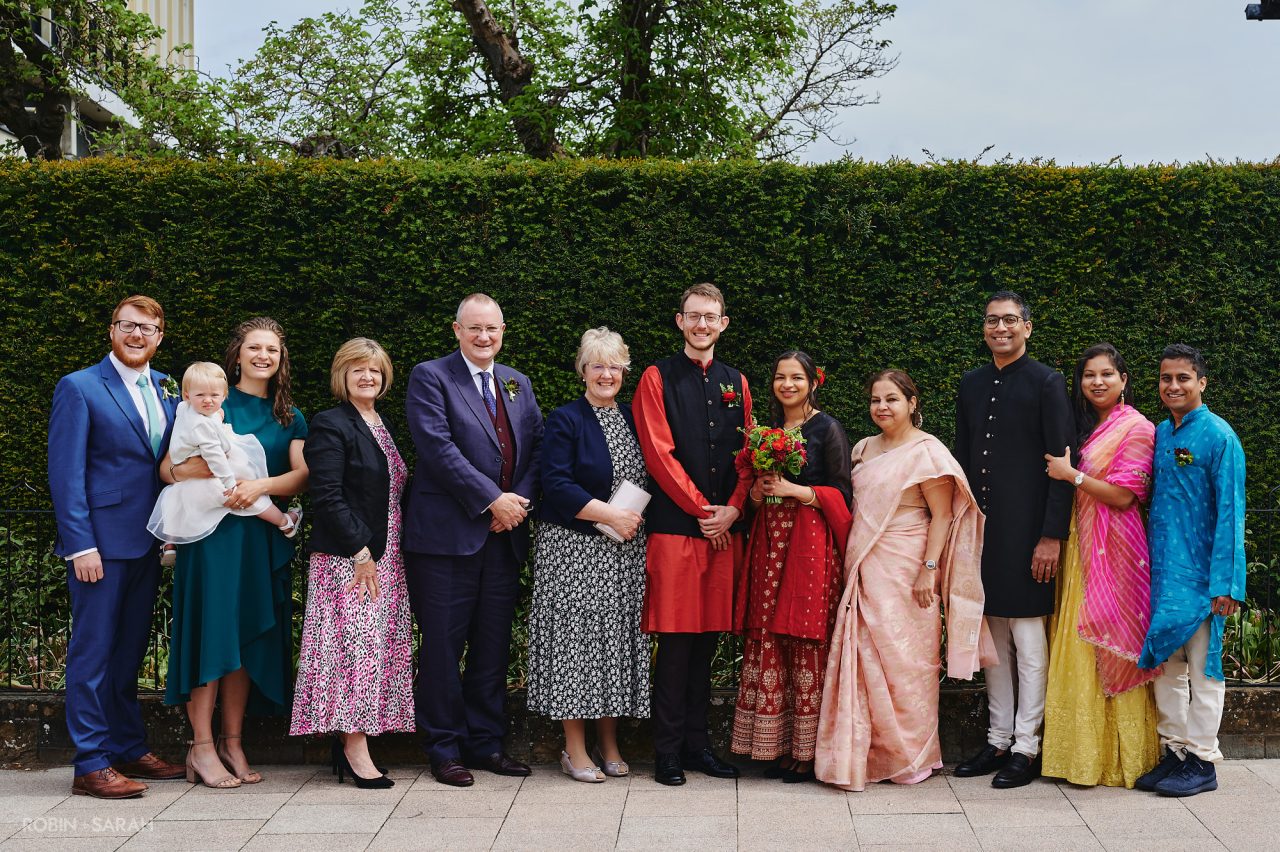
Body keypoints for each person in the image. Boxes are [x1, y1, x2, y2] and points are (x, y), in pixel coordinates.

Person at [816, 370, 991, 791]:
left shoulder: (928, 453)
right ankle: (864, 753)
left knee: (907, 665)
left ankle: (911, 755)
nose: (882, 407)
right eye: (876, 399)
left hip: (908, 568)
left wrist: (928, 570)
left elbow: (944, 515)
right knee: (864, 659)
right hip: (866, 565)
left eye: (892, 399)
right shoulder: (861, 449)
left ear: (913, 403)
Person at [48, 295, 186, 799]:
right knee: (93, 653)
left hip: (149, 541)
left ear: (159, 336)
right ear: (112, 330)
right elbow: (66, 475)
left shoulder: (169, 386)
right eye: (128, 326)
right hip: (100, 548)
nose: (137, 336)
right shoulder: (80, 387)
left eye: (147, 329)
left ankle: (128, 746)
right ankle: (90, 761)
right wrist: (80, 544)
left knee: (128, 652)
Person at [162, 317, 309, 789]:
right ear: (238, 353)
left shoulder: (292, 417)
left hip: (259, 540)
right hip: (213, 538)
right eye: (254, 348)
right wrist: (216, 477)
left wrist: (259, 486)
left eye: (273, 349)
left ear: (281, 358)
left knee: (245, 639)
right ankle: (200, 748)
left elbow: (303, 476)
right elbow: (169, 468)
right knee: (211, 635)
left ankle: (233, 740)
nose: (263, 356)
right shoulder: (209, 401)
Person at [403, 293, 543, 788]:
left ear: (503, 331)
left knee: (492, 646)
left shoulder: (517, 382)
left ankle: (486, 743)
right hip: (445, 540)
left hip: (503, 538)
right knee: (442, 646)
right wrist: (492, 500)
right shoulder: (431, 376)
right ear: (457, 329)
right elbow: (436, 447)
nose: (484, 337)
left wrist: (517, 503)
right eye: (475, 328)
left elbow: (536, 451)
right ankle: (443, 747)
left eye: (493, 329)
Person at [633, 282, 752, 787]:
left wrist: (732, 510)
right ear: (679, 321)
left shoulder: (737, 381)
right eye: (693, 316)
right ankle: (666, 751)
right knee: (677, 644)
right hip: (677, 531)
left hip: (725, 531)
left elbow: (750, 456)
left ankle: (700, 745)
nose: (702, 324)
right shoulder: (656, 376)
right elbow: (658, 455)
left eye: (711, 317)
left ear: (723, 324)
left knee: (707, 642)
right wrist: (706, 510)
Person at [953, 289, 1073, 789]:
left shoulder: (1048, 382)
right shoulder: (971, 383)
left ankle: (1027, 745)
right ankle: (998, 737)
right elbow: (960, 460)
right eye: (991, 321)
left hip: (1028, 533)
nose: (999, 329)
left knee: (1027, 638)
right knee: (992, 640)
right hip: (984, 531)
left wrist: (1051, 536)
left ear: (1027, 326)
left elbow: (1063, 467)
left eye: (1008, 321)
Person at [527, 327, 650, 783]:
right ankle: (574, 748)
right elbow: (555, 484)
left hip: (623, 555)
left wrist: (625, 524)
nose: (606, 374)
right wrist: (610, 516)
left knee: (614, 646)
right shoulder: (566, 419)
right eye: (597, 365)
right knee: (575, 648)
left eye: (614, 365)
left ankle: (610, 743)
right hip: (574, 552)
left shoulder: (634, 420)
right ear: (583, 369)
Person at [291, 338, 414, 789]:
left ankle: (358, 739)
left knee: (375, 652)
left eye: (376, 371)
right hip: (352, 559)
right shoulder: (331, 423)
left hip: (387, 556)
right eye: (358, 370)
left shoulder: (381, 423)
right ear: (342, 376)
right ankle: (354, 748)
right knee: (352, 654)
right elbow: (327, 494)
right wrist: (361, 552)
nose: (368, 377)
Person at [1041, 343, 1160, 788]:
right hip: (1083, 546)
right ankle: (1076, 757)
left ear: (1124, 380)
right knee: (1078, 642)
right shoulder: (1089, 427)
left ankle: (1119, 758)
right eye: (1089, 375)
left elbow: (1126, 496)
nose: (1097, 382)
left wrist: (1070, 475)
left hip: (1119, 548)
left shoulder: (1138, 428)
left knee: (1113, 636)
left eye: (1107, 374)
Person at [731, 351, 851, 783]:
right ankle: (774, 744)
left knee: (804, 630)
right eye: (780, 377)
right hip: (768, 539)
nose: (787, 385)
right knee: (768, 630)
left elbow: (842, 491)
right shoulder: (766, 433)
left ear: (812, 382)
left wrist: (795, 490)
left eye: (796, 377)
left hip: (809, 542)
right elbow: (751, 493)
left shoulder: (826, 428)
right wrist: (763, 494)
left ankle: (807, 749)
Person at [1134, 345, 1246, 797]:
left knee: (1204, 671)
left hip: (1202, 578)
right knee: (1167, 667)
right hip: (1164, 574)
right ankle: (1175, 751)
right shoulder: (1161, 433)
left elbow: (1231, 514)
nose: (1173, 386)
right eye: (1166, 378)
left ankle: (1203, 760)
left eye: (1183, 377)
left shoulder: (1220, 437)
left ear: (1202, 382)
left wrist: (1226, 584)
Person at [147, 362, 301, 548]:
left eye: (214, 396)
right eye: (201, 395)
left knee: (176, 496)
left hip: (187, 467)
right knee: (251, 494)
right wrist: (229, 482)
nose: (208, 401)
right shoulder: (202, 426)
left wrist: (216, 417)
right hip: (211, 469)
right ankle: (284, 522)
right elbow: (215, 457)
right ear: (187, 395)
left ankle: (169, 543)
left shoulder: (184, 408)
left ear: (223, 396)